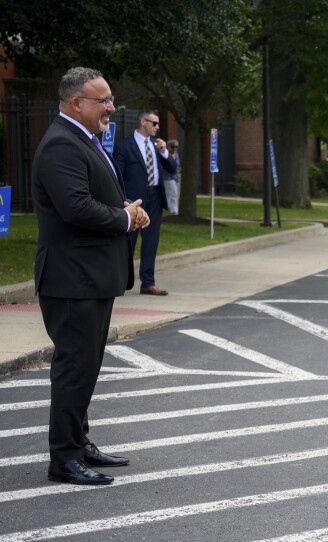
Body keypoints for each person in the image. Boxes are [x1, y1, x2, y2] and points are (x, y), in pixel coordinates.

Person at [33, 67, 148, 485]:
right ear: (76, 103)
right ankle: (63, 458)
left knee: (87, 365)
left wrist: (127, 210)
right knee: (74, 366)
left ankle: (79, 443)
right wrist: (123, 217)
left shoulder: (85, 140)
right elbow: (76, 208)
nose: (112, 107)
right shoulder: (61, 145)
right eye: (104, 100)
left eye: (111, 98)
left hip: (90, 277)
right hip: (71, 279)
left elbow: (93, 195)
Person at [114, 110, 176, 296]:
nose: (157, 127)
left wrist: (165, 152)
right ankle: (121, 281)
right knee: (129, 242)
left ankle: (148, 282)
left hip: (155, 197)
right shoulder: (124, 146)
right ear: (143, 122)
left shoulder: (156, 147)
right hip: (134, 201)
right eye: (154, 123)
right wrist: (123, 202)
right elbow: (118, 177)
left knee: (151, 241)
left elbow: (172, 169)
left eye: (158, 124)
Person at [163, 139, 181, 215]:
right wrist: (172, 170)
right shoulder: (166, 155)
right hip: (168, 178)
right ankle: (174, 211)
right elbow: (163, 168)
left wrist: (178, 170)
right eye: (172, 146)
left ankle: (170, 207)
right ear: (168, 147)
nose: (174, 148)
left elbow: (178, 166)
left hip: (176, 178)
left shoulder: (176, 155)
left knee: (176, 194)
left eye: (176, 147)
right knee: (173, 194)